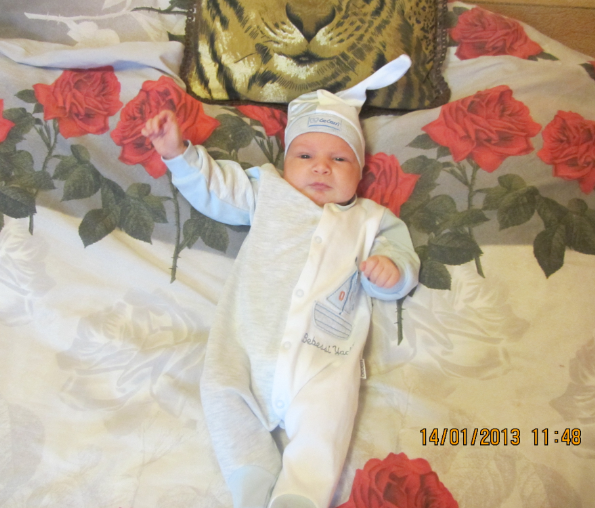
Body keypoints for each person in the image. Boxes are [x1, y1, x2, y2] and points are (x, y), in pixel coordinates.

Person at [142, 55, 420, 508]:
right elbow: (217, 189)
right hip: (246, 342)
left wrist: (390, 271)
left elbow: (402, 258)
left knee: (327, 421)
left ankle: (299, 497)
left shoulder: (371, 219)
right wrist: (179, 154)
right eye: (305, 156)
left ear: (361, 171)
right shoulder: (268, 191)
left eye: (339, 158)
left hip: (322, 357)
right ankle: (251, 487)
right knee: (221, 391)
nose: (321, 167)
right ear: (285, 160)